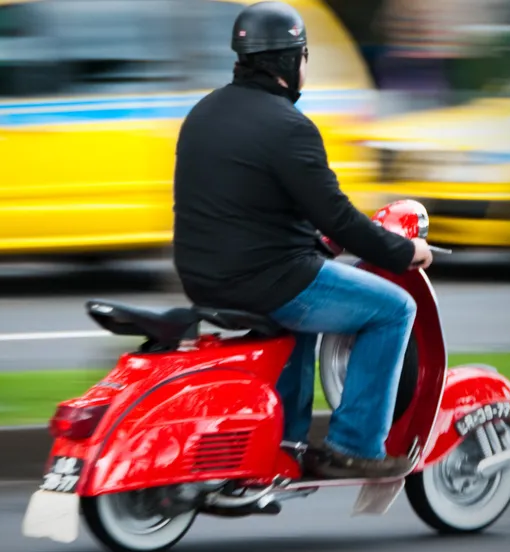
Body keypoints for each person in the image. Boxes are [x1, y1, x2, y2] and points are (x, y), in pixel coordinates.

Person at [172, 0, 433, 479]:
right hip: (265, 279)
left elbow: (243, 203)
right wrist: (403, 251)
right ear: (292, 61)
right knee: (394, 309)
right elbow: (339, 217)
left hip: (203, 278)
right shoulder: (289, 127)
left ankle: (287, 445)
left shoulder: (203, 113)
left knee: (300, 316)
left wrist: (309, 237)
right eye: (305, 56)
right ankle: (353, 446)